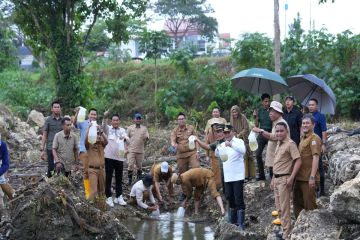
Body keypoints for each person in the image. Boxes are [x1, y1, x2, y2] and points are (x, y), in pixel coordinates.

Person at [271, 122, 302, 240]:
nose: (278, 133)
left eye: (281, 131)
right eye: (277, 131)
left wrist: (291, 177)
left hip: (285, 179)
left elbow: (298, 160)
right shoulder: (279, 143)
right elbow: (277, 162)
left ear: (286, 131)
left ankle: (287, 235)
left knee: (284, 208)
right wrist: (273, 178)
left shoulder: (290, 144)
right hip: (277, 178)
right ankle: (284, 230)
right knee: (279, 207)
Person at [217, 124, 246, 230]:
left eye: (228, 132)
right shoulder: (222, 144)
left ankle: (241, 223)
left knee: (239, 198)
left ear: (233, 132)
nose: (227, 134)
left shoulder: (238, 141)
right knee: (229, 197)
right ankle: (232, 222)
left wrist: (231, 145)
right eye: (225, 133)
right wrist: (220, 146)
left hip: (237, 176)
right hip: (227, 176)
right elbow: (217, 154)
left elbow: (243, 151)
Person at [253, 101, 290, 179]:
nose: (270, 113)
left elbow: (274, 137)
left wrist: (260, 131)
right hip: (275, 159)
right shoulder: (276, 122)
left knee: (278, 182)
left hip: (279, 160)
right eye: (270, 111)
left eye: (273, 111)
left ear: (279, 112)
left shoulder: (281, 123)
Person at [293, 114, 321, 218]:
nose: (305, 125)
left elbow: (316, 158)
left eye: (307, 123)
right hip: (299, 177)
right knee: (297, 204)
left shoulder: (314, 139)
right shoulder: (303, 138)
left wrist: (312, 177)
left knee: (310, 207)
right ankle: (299, 229)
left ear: (313, 125)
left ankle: (312, 231)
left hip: (308, 179)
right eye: (303, 123)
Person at [102, 112, 129, 207]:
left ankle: (119, 196)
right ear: (111, 121)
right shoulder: (108, 129)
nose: (115, 122)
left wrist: (125, 138)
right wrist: (105, 117)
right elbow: (103, 125)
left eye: (117, 120)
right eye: (113, 120)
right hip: (109, 156)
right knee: (108, 177)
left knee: (119, 177)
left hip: (119, 158)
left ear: (119, 121)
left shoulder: (122, 130)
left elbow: (127, 139)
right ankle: (108, 197)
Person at [196, 123, 226, 191]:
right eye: (217, 132)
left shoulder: (229, 140)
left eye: (221, 131)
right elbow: (207, 146)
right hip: (221, 166)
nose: (219, 133)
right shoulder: (217, 142)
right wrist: (198, 140)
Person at [308, 98, 327, 196]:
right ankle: (314, 188)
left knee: (319, 167)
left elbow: (324, 130)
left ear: (317, 106)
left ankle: (322, 190)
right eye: (309, 105)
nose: (311, 106)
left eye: (312, 105)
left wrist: (324, 144)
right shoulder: (307, 117)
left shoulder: (321, 116)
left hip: (317, 144)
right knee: (310, 167)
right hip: (308, 144)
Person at [230, 105, 255, 180]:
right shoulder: (232, 119)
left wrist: (240, 134)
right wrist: (235, 134)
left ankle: (250, 175)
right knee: (240, 156)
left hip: (245, 138)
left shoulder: (242, 117)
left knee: (247, 155)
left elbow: (246, 128)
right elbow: (232, 129)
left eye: (236, 111)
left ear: (238, 111)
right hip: (237, 139)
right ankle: (244, 175)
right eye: (233, 112)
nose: (235, 113)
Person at [204, 107, 227, 188]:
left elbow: (227, 133)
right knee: (216, 171)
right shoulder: (209, 127)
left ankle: (225, 184)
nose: (215, 113)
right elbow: (206, 141)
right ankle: (218, 185)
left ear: (219, 113)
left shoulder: (223, 121)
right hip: (214, 153)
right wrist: (206, 154)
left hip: (224, 150)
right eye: (214, 112)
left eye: (217, 112)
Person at [84, 122, 108, 200]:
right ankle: (89, 208)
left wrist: (102, 132)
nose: (98, 136)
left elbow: (107, 141)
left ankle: (101, 208)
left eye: (99, 134)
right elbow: (85, 140)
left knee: (102, 191)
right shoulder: (89, 145)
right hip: (92, 170)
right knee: (93, 191)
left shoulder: (102, 144)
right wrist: (89, 129)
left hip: (102, 169)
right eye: (96, 134)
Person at [74, 108, 98, 180]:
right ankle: (87, 190)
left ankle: (92, 187)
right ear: (88, 115)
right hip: (84, 150)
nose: (93, 116)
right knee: (86, 170)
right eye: (92, 114)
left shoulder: (98, 126)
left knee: (93, 170)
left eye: (95, 114)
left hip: (94, 152)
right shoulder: (83, 122)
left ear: (97, 116)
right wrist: (77, 113)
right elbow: (75, 123)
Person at [253, 93, 272, 181]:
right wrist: (255, 116)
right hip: (261, 133)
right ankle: (261, 175)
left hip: (271, 133)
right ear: (262, 102)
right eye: (265, 101)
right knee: (257, 154)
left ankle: (272, 174)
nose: (267, 103)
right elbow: (256, 125)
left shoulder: (272, 110)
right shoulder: (259, 111)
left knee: (271, 154)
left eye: (268, 101)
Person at [127, 113, 149, 185]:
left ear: (141, 119)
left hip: (140, 151)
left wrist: (147, 138)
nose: (138, 120)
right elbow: (126, 138)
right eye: (137, 118)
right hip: (131, 150)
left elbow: (147, 137)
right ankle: (129, 180)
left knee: (139, 166)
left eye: (139, 118)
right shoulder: (130, 128)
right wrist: (125, 148)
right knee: (130, 165)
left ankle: (138, 180)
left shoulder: (144, 128)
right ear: (134, 119)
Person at [41, 101, 63, 177]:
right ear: (52, 109)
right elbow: (44, 135)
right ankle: (50, 183)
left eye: (58, 107)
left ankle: (60, 184)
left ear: (60, 109)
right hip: (50, 146)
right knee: (51, 167)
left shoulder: (63, 121)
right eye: (55, 107)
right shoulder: (48, 120)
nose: (56, 109)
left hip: (61, 148)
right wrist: (42, 149)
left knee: (61, 167)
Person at [0, 135, 14, 218]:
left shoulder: (3, 145)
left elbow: (6, 164)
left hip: (1, 169)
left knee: (10, 192)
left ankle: (14, 200)